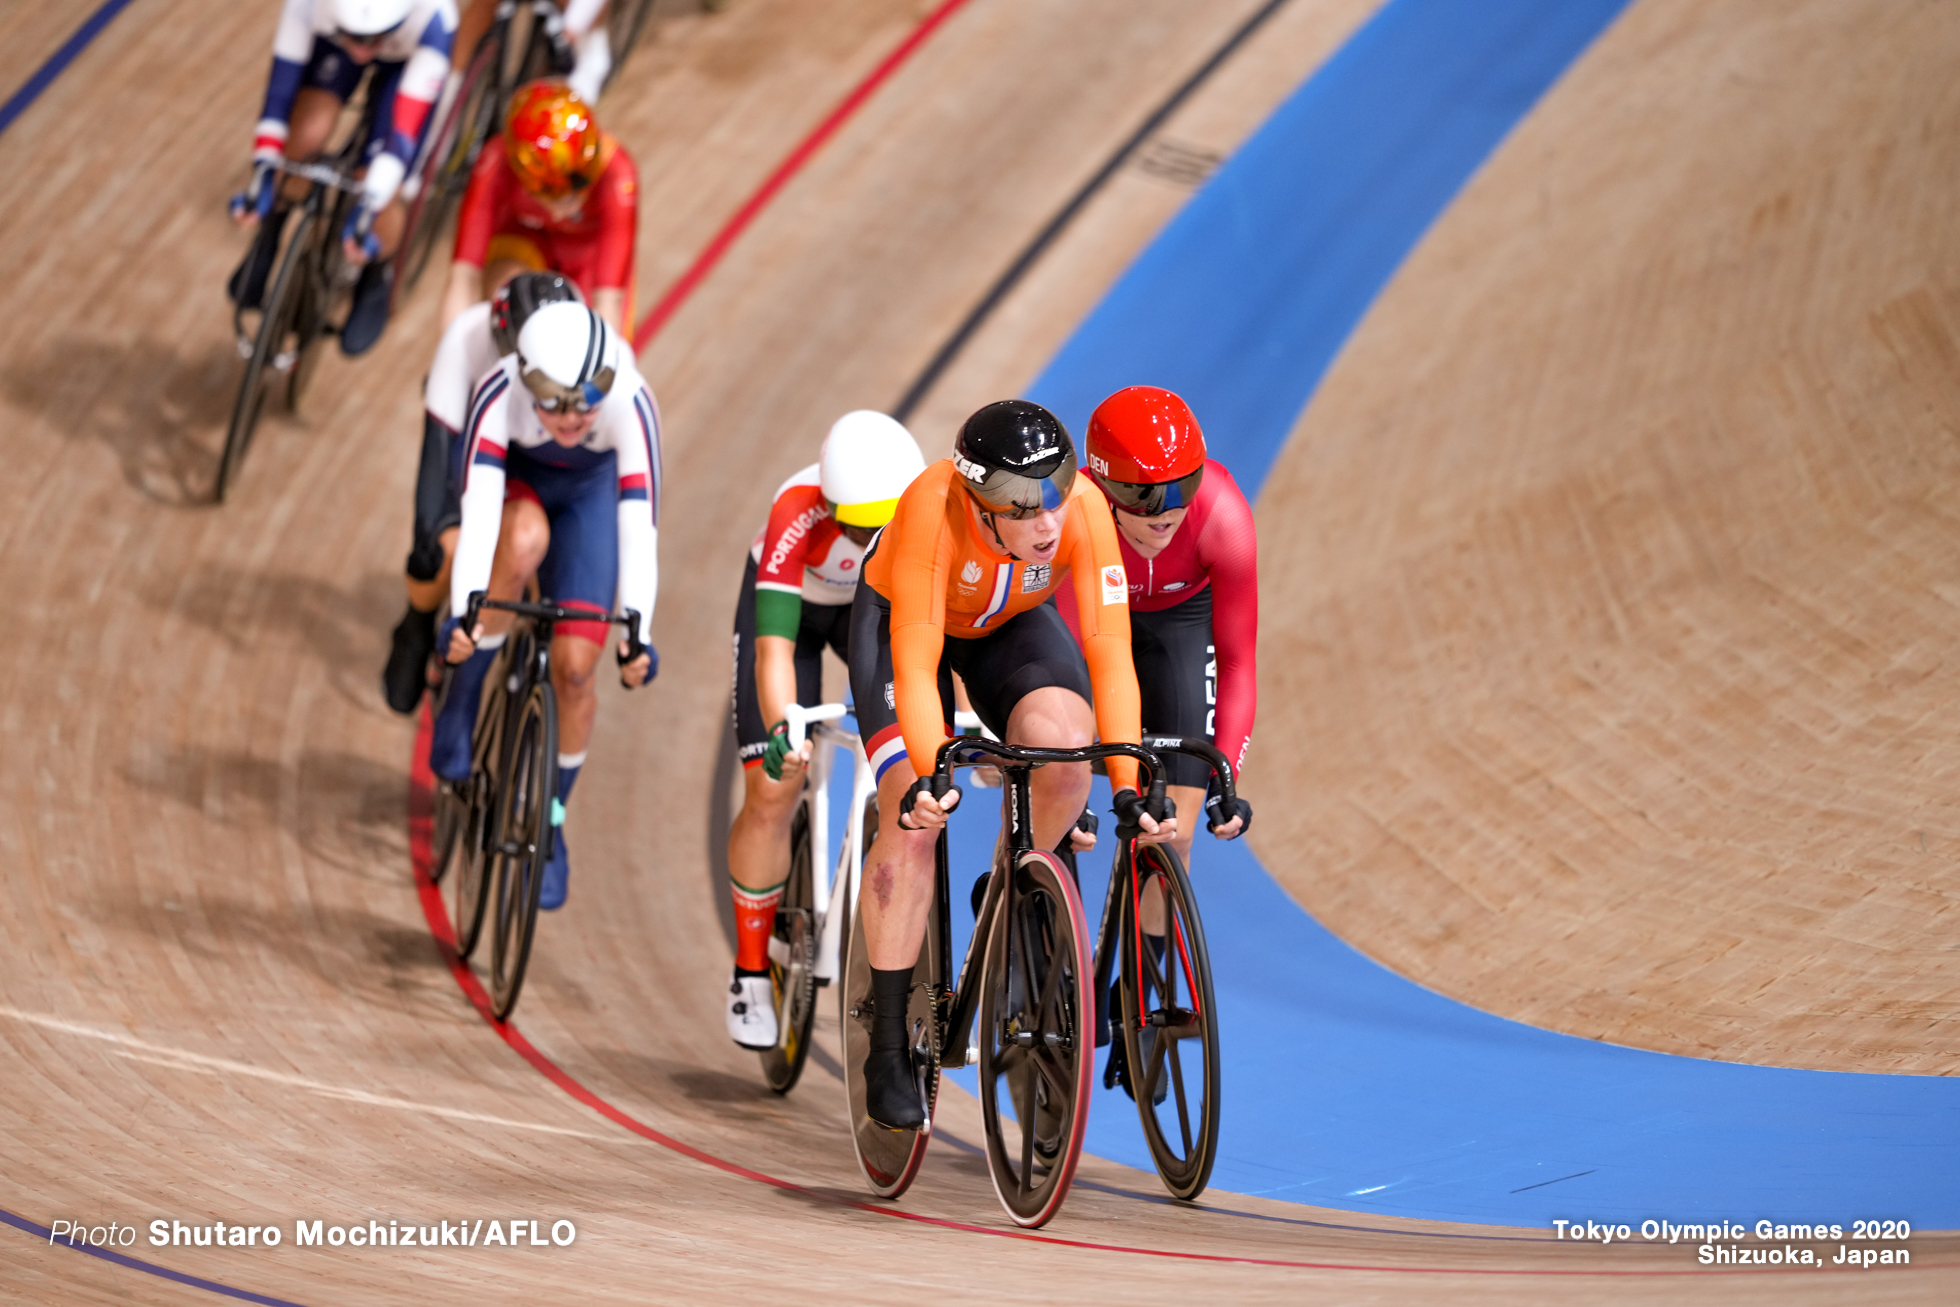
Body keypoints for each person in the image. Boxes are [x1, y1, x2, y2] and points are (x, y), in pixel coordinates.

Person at [846, 399, 1175, 1130]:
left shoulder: (1082, 509)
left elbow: (1111, 655)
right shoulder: (933, 505)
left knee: (1065, 753)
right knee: (912, 814)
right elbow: (918, 650)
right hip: (905, 618)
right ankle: (890, 1039)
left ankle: (1007, 881)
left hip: (1009, 625)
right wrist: (932, 774)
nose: (1049, 522)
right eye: (1024, 510)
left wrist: (1124, 784)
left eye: (1055, 492)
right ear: (979, 504)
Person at [430, 302, 660, 910]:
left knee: (577, 671)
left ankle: (551, 819)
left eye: (586, 400)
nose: (571, 415)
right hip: (517, 485)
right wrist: (463, 613)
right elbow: (479, 517)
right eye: (552, 400)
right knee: (522, 540)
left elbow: (639, 528)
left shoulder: (631, 402)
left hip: (589, 498)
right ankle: (463, 692)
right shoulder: (496, 391)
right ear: (524, 376)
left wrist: (638, 633)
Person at [723, 412, 926, 1049]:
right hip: (797, 619)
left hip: (868, 611)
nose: (868, 536)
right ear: (829, 504)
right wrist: (787, 725)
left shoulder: (923, 508)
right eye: (856, 525)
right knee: (774, 788)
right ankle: (750, 970)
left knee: (913, 754)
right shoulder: (797, 509)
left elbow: (932, 648)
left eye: (882, 525)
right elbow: (775, 651)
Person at [381, 272, 593, 713]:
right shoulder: (464, 341)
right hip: (477, 441)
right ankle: (416, 624)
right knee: (437, 550)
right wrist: (436, 532)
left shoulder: (589, 351)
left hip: (541, 453)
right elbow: (437, 458)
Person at [229, 0, 458, 357]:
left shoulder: (434, 21)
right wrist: (263, 171)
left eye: (373, 39)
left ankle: (376, 277)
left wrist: (370, 204)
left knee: (378, 181)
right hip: (332, 41)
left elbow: (400, 140)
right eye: (355, 37)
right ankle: (271, 231)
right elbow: (278, 99)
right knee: (304, 134)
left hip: (409, 60)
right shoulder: (308, 6)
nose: (364, 51)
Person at [441, 80, 638, 339]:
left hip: (586, 252)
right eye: (554, 195)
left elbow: (608, 300)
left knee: (589, 336)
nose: (563, 211)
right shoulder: (495, 162)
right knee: (504, 292)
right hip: (526, 238)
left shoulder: (618, 175)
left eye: (580, 188)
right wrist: (451, 353)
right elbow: (464, 275)